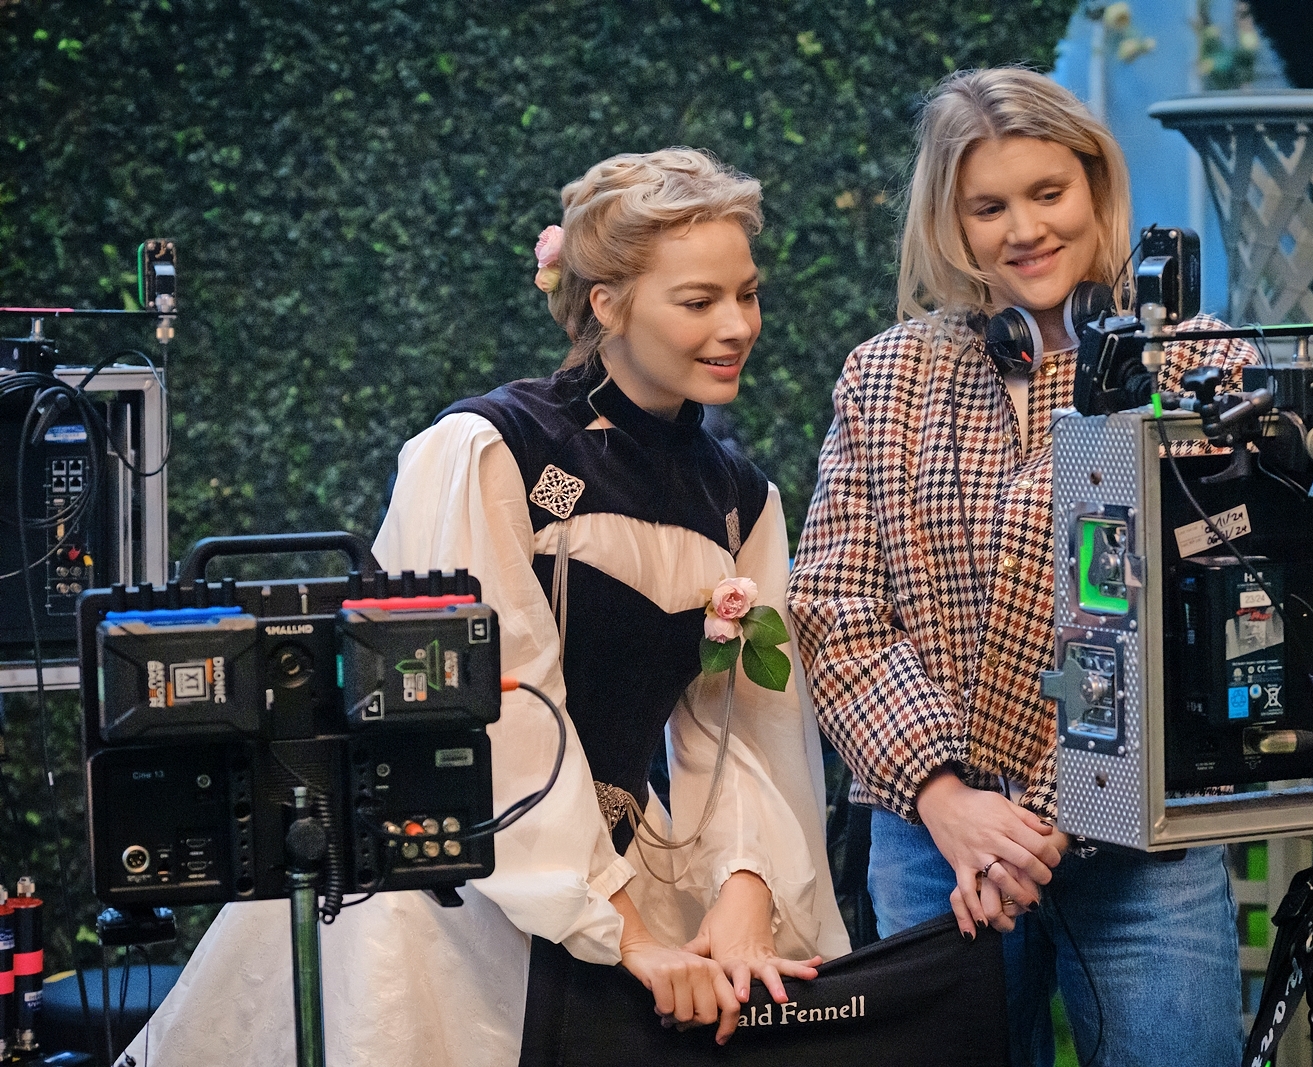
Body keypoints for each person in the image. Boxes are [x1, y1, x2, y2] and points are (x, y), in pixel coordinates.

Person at [126, 148, 848, 1067]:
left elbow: (747, 732)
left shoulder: (742, 498)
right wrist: (621, 932)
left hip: (634, 885)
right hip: (452, 903)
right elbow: (492, 712)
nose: (737, 325)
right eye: (699, 301)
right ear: (606, 302)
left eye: (747, 294)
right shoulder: (486, 451)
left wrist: (746, 899)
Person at [788, 68, 1252, 1067]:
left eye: (1048, 193)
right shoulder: (887, 374)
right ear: (949, 222)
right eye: (987, 206)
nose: (1024, 229)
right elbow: (833, 604)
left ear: (1094, 188)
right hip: (933, 840)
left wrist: (1032, 822)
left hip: (1143, 844)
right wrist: (948, 797)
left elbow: (1201, 623)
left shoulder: (1197, 368)